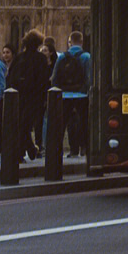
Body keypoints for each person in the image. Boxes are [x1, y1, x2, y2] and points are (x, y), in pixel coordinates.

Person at [7, 30, 48, 161]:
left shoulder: (19, 57)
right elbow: (44, 80)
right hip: (33, 97)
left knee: (21, 125)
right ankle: (26, 151)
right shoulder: (40, 58)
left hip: (17, 96)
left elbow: (9, 77)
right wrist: (44, 99)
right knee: (24, 125)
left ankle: (27, 150)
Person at [51, 30, 91, 158]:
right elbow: (89, 78)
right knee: (84, 122)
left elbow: (54, 77)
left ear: (70, 42)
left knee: (63, 123)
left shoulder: (62, 56)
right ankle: (84, 148)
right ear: (81, 41)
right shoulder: (86, 57)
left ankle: (61, 150)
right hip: (81, 95)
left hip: (64, 95)